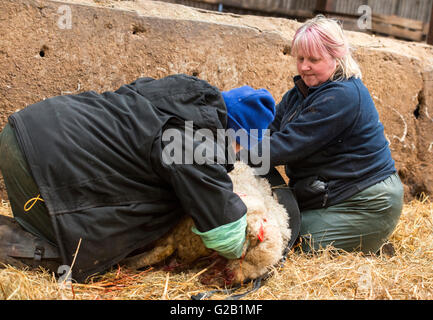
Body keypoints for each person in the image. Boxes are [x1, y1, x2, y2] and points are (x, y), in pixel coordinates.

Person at [0, 74, 277, 282]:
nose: (237, 154)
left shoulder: (176, 98)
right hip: (40, 161)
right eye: (242, 146)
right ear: (236, 136)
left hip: (24, 132)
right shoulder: (196, 145)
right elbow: (226, 235)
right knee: (82, 256)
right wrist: (252, 243)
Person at [249, 15, 404, 254]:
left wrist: (233, 155)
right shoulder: (300, 92)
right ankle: (360, 240)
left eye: (314, 59)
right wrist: (239, 143)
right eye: (300, 58)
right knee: (275, 228)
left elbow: (287, 145)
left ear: (336, 56)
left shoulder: (342, 96)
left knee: (293, 243)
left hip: (367, 202)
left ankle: (369, 242)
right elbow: (270, 130)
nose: (304, 66)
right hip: (331, 195)